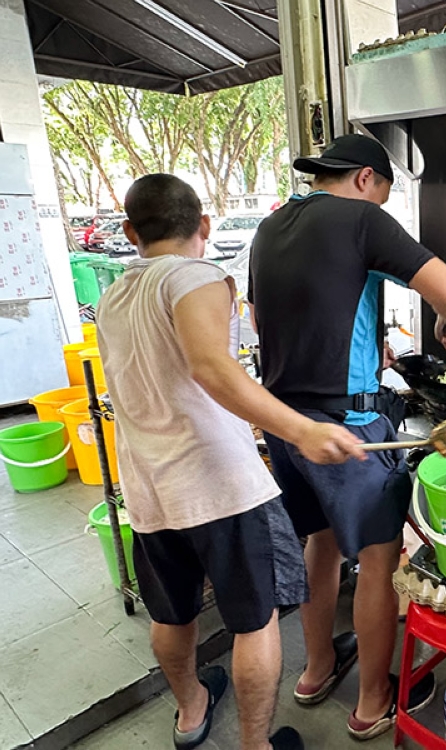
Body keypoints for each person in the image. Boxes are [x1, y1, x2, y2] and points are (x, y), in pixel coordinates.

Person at [96, 174, 366, 750]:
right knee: (254, 621)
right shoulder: (197, 277)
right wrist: (302, 429)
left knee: (172, 616)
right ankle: (255, 744)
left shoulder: (114, 294)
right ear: (205, 227)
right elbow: (212, 369)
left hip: (149, 489)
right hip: (220, 489)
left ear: (128, 232)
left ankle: (191, 713)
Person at [248, 133, 446, 740]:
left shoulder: (271, 227)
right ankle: (373, 700)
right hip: (346, 429)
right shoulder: (361, 221)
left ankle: (316, 670)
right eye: (383, 197)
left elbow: (268, 317)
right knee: (379, 562)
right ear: (367, 180)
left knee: (319, 546)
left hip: (285, 427)